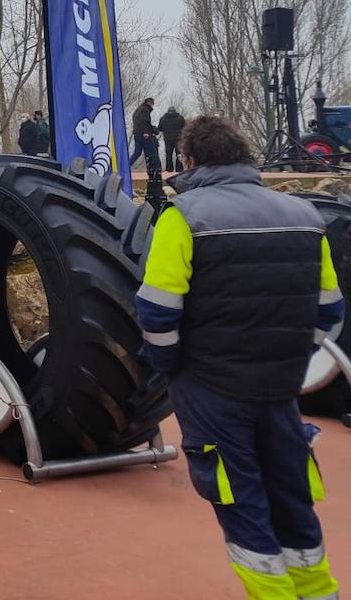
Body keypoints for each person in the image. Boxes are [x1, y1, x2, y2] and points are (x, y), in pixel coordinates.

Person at [135, 116, 341, 599]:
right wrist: (291, 357)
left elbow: (157, 312)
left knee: (243, 509)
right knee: (293, 504)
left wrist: (171, 368)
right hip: (280, 387)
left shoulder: (183, 217)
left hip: (213, 389)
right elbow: (330, 310)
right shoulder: (306, 216)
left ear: (188, 160)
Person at [130, 96, 161, 173]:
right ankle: (156, 168)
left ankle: (127, 165)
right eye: (152, 104)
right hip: (143, 134)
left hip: (137, 133)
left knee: (137, 152)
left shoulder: (139, 109)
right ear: (149, 103)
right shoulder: (145, 110)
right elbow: (144, 122)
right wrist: (146, 132)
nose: (152, 106)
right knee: (152, 152)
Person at [159, 105, 187, 172]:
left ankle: (169, 170)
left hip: (167, 139)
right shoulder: (180, 118)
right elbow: (185, 127)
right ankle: (179, 169)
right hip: (178, 139)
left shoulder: (163, 118)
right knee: (179, 154)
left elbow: (160, 128)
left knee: (168, 154)